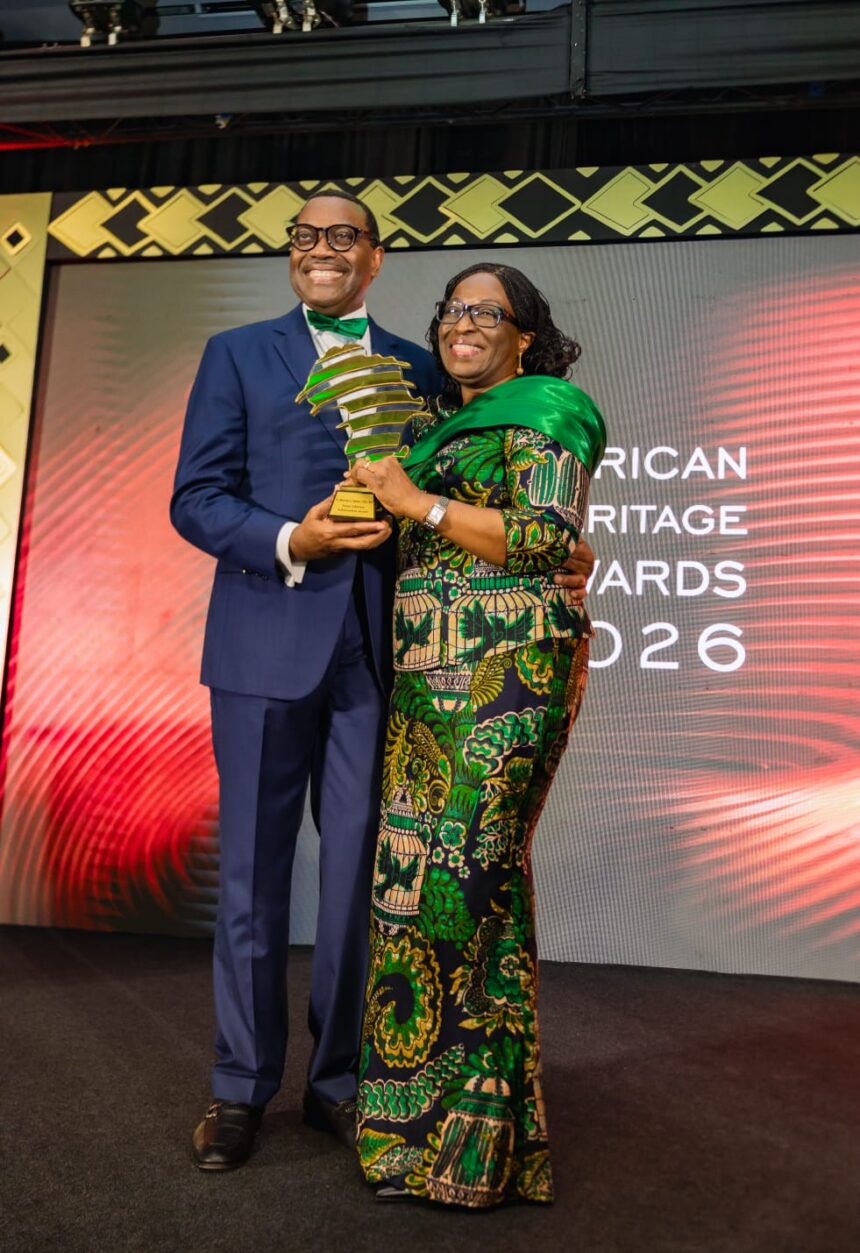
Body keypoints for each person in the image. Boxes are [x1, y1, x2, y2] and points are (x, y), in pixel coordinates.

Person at [171, 193, 595, 1172]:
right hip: (261, 648)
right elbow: (195, 498)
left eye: (342, 238)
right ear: (292, 257)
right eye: (304, 237)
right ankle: (238, 1086)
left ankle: (337, 1080)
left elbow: (488, 487)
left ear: (374, 258)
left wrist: (566, 551)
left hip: (385, 661)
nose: (321, 250)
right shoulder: (235, 353)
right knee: (250, 877)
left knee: (372, 879)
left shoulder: (418, 364)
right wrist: (290, 537)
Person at [351, 263, 605, 1208]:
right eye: (452, 310)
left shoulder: (552, 409)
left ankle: (477, 1142)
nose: (462, 324)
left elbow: (546, 538)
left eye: (484, 312)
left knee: (469, 883)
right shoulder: (423, 431)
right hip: (423, 691)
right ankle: (423, 1140)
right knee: (415, 894)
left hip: (510, 682)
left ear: (523, 334)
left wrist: (412, 500)